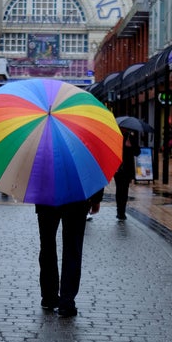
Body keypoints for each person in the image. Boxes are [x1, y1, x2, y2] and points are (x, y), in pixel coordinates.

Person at [36, 188, 103, 317]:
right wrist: (96, 198)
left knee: (47, 245)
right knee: (72, 248)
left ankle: (49, 296)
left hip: (47, 195)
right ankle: (66, 301)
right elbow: (95, 170)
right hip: (76, 197)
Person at [114, 127, 141, 221]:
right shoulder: (115, 136)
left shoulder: (131, 137)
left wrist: (131, 146)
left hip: (127, 169)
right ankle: (119, 211)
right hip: (117, 168)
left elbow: (137, 152)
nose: (123, 129)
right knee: (119, 190)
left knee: (124, 190)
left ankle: (122, 212)